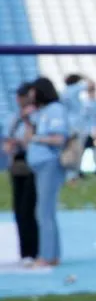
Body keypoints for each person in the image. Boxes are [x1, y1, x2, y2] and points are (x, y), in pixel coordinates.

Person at [24, 77, 69, 268]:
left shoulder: (55, 110)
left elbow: (58, 138)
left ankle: (46, 255)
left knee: (44, 212)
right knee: (46, 211)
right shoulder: (41, 112)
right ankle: (53, 255)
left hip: (49, 164)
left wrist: (36, 138)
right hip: (40, 165)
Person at [3, 82, 39, 266]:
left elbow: (29, 141)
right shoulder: (14, 118)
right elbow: (7, 143)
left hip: (30, 165)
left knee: (28, 210)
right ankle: (24, 252)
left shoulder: (35, 117)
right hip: (16, 166)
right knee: (18, 211)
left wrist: (26, 122)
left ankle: (34, 251)